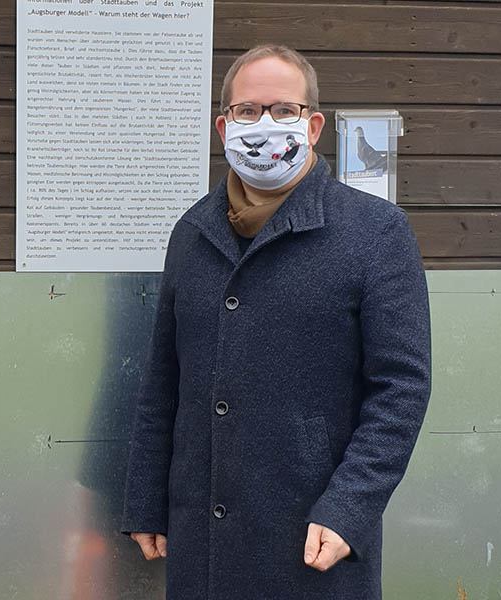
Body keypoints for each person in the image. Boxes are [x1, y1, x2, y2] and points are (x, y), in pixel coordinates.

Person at [122, 45, 431, 600]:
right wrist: (147, 499)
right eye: (247, 111)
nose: (264, 125)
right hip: (201, 544)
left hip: (313, 540)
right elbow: (163, 379)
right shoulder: (191, 233)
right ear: (224, 126)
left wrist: (349, 508)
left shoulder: (376, 233)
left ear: (313, 126)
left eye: (283, 110)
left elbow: (400, 390)